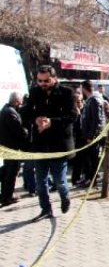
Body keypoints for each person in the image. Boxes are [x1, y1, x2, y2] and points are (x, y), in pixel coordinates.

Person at [21, 65, 77, 221]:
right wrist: (36, 119)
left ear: (54, 78)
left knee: (59, 181)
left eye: (46, 81)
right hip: (40, 145)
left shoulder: (66, 93)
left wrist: (51, 122)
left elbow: (72, 116)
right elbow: (25, 113)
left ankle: (65, 197)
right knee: (40, 181)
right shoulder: (34, 92)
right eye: (39, 81)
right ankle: (46, 209)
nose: (42, 84)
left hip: (59, 145)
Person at [0, 92, 29, 207]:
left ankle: (6, 195)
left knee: (8, 171)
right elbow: (18, 130)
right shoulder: (10, 113)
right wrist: (26, 131)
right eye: (20, 101)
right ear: (16, 101)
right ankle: (7, 197)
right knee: (11, 172)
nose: (21, 103)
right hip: (11, 147)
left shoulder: (6, 110)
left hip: (8, 146)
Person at [79, 80, 105, 185]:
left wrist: (91, 136)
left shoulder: (94, 100)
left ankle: (92, 180)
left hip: (93, 136)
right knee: (86, 157)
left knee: (92, 158)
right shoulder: (89, 100)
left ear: (84, 88)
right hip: (86, 134)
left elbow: (96, 120)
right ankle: (87, 177)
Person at [70, 89, 86, 186]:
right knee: (77, 162)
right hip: (75, 140)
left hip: (84, 139)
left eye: (80, 101)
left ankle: (83, 178)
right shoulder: (72, 112)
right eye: (77, 102)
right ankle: (75, 179)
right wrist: (77, 115)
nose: (79, 104)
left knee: (84, 161)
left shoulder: (85, 110)